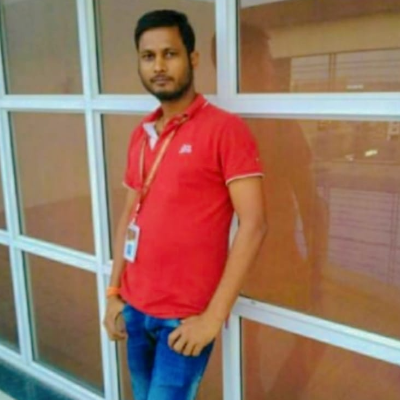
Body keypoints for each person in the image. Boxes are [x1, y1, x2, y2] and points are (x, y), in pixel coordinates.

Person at [103, 9, 266, 400]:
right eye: (148, 56)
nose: (159, 66)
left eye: (170, 54)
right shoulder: (141, 134)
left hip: (184, 319)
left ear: (192, 59)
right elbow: (129, 215)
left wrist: (212, 319)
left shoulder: (225, 129)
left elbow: (254, 224)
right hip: (134, 308)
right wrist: (113, 293)